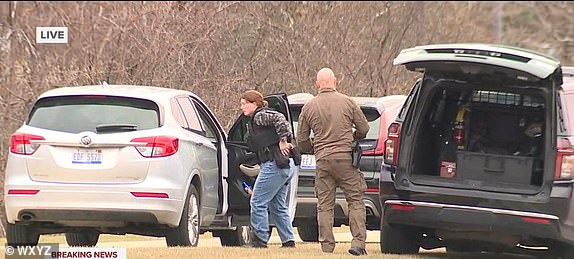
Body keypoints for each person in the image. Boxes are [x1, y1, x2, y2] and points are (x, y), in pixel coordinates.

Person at [297, 68, 370, 256]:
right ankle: (358, 243)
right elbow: (364, 128)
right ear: (335, 81)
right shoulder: (348, 102)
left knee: (324, 205)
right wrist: (354, 136)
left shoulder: (309, 107)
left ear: (317, 84)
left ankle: (327, 246)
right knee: (355, 200)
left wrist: (315, 148)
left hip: (322, 160)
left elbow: (302, 140)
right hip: (346, 159)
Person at [240, 90, 296, 248]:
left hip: (274, 165)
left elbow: (279, 119)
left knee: (257, 202)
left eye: (244, 103)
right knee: (278, 206)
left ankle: (260, 240)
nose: (242, 107)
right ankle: (288, 241)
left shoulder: (260, 116)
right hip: (285, 165)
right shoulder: (255, 120)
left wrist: (283, 140)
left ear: (254, 103)